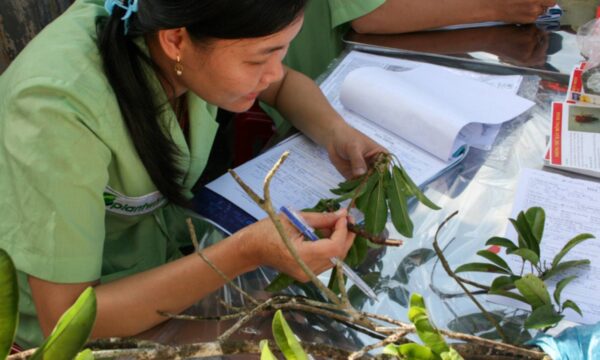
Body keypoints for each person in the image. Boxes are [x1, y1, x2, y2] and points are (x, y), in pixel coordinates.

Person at [0, 0, 385, 349]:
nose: (271, 73)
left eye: (282, 51)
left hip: (165, 259)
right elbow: (67, 320)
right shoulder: (57, 114)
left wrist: (336, 133)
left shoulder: (184, 31)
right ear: (175, 41)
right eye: (257, 60)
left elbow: (282, 83)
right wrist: (245, 252)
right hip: (76, 323)